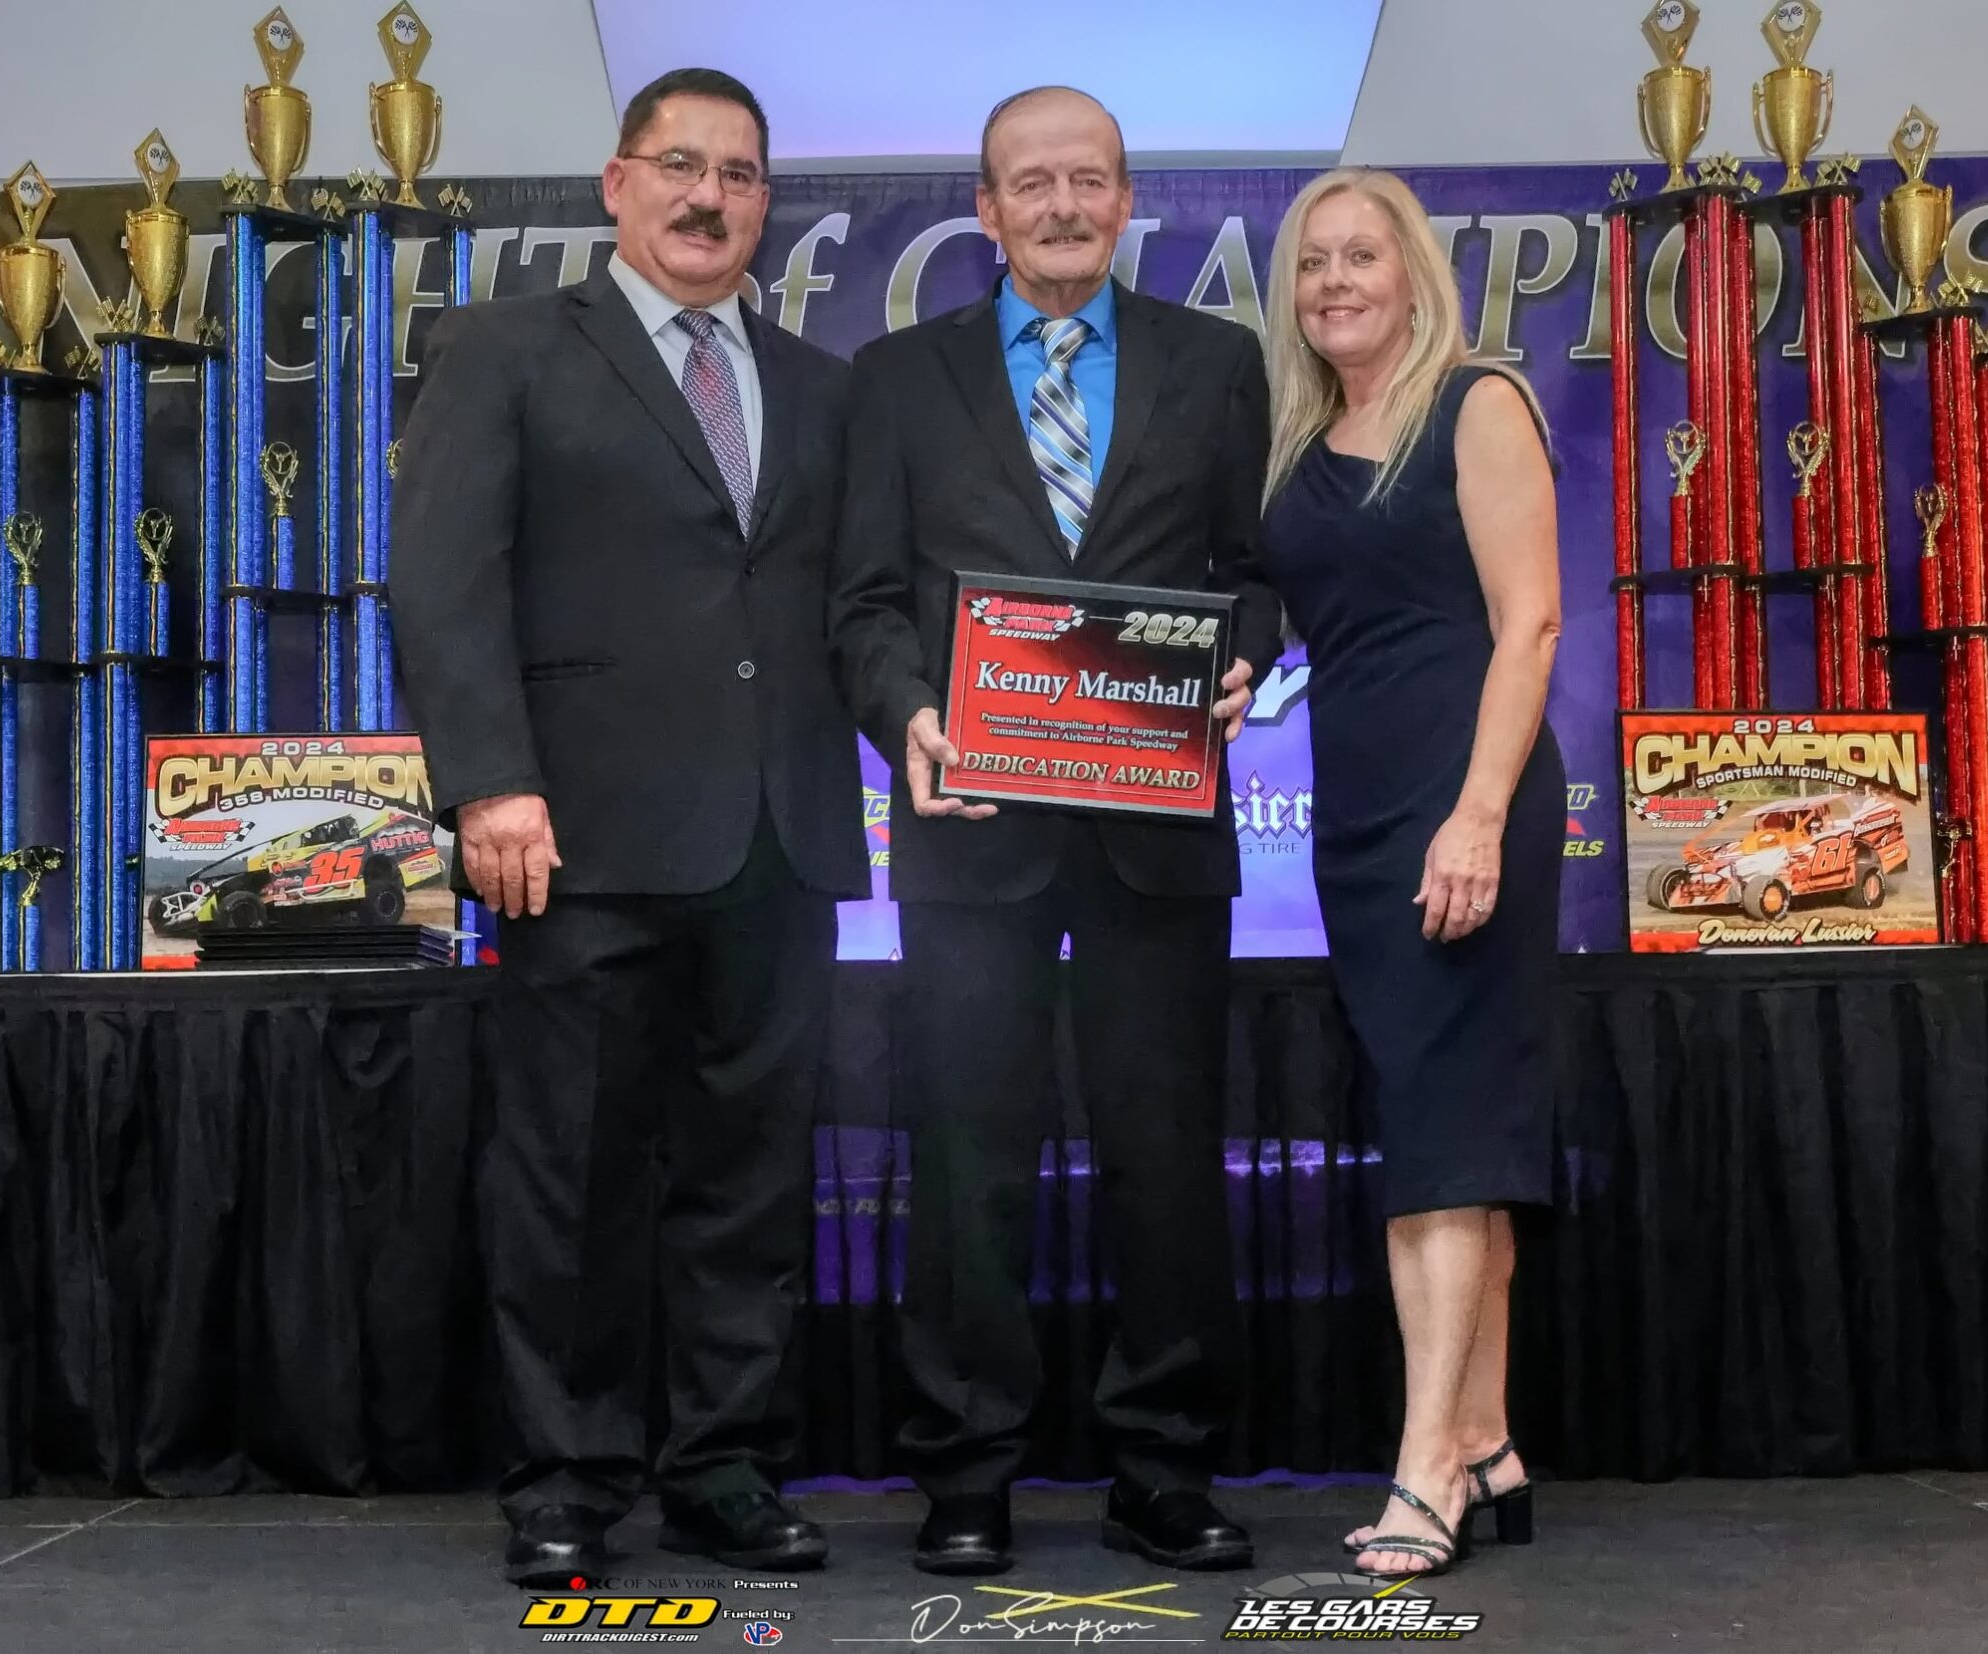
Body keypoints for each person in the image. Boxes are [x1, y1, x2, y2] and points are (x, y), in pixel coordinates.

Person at [387, 67, 867, 1587]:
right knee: (573, 1178)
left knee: (750, 1181)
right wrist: (489, 782)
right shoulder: (508, 348)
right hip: (576, 838)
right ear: (614, 183)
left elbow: (850, 610)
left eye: (736, 173)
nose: (706, 195)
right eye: (678, 164)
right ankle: (568, 1480)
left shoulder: (820, 381)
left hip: (780, 839)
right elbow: (444, 579)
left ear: (764, 204)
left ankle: (722, 1465)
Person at [831, 84, 1279, 1577]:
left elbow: (1254, 570)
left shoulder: (1218, 366)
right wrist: (907, 715)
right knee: (968, 1163)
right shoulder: (895, 381)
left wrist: (1238, 660)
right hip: (974, 826)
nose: (1064, 204)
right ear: (987, 209)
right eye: (1034, 183)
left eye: (1089, 179)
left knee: (1166, 1156)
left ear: (1128, 196)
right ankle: (967, 1473)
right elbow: (867, 605)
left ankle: (1165, 1466)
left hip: (1159, 831)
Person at [1256, 167, 1563, 1580]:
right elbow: (1297, 618)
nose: (1335, 281)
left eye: (1361, 255)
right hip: (1360, 820)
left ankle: (1427, 1466)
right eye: (1312, 261)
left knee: (1436, 1153)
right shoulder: (1308, 437)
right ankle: (1491, 1435)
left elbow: (1533, 624)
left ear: (1414, 270)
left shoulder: (1475, 401)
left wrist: (1481, 812)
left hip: (1462, 800)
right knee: (1448, 1130)